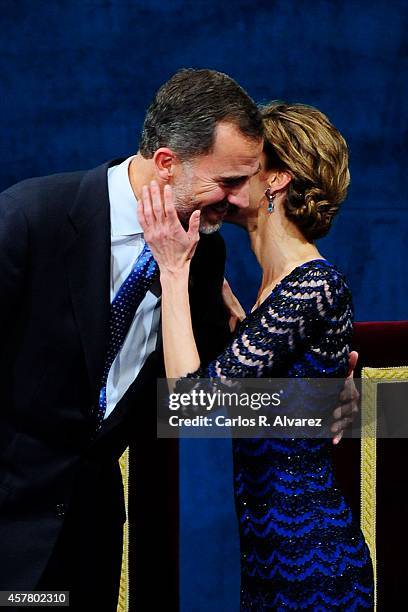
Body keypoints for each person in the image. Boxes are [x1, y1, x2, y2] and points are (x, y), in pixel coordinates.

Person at [0, 68, 356, 610]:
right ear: (166, 163)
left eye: (248, 177)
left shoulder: (204, 257)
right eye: (229, 179)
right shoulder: (30, 218)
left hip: (91, 544)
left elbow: (196, 404)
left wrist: (339, 399)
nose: (236, 197)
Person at [138, 102, 374, 609]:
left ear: (277, 180)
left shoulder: (313, 286)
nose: (229, 170)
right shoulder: (270, 291)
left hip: (314, 565)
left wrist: (174, 271)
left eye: (249, 160)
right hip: (268, 562)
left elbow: (191, 407)